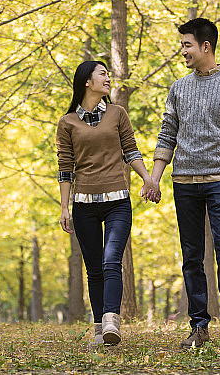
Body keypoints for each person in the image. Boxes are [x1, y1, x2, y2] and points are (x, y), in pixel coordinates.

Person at [145, 17, 220, 349]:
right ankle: (199, 326)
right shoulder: (178, 88)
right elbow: (167, 135)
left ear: (205, 46)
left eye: (186, 45)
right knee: (192, 255)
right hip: (184, 182)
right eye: (182, 45)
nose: (182, 51)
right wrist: (155, 177)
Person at [56, 60, 159, 346]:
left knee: (112, 259)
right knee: (94, 269)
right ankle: (100, 329)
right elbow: (65, 167)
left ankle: (111, 319)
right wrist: (64, 207)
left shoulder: (117, 113)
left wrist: (147, 179)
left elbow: (130, 150)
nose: (108, 78)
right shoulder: (67, 122)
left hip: (117, 200)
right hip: (84, 203)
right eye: (102, 74)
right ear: (86, 82)